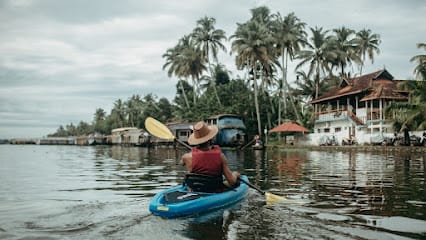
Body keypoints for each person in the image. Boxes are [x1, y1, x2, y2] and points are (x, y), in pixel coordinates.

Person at [180, 121, 240, 192]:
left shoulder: (186, 157)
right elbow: (232, 181)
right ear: (210, 139)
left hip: (195, 189)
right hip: (214, 189)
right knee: (235, 181)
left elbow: (181, 163)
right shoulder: (220, 156)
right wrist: (235, 175)